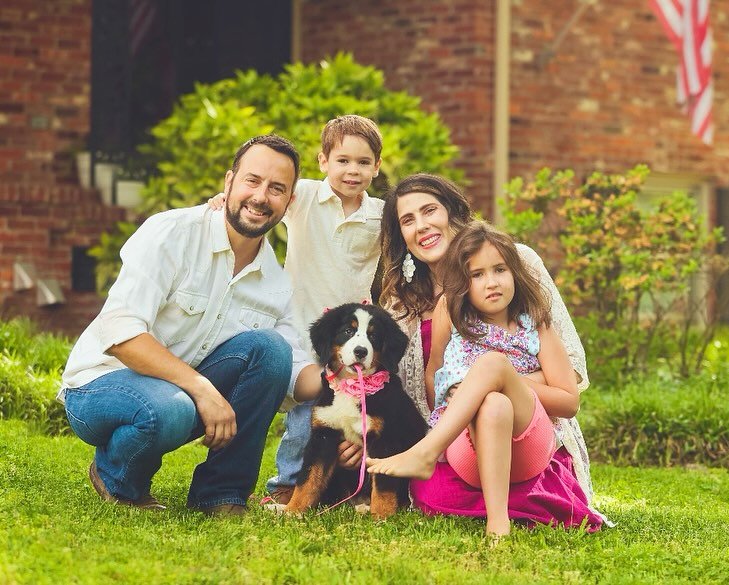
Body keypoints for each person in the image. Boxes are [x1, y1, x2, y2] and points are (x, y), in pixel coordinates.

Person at [59, 135, 322, 516]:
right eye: (252, 180)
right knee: (171, 409)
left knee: (272, 350)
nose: (261, 196)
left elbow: (292, 369)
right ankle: (116, 477)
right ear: (229, 182)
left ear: (289, 201)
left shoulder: (274, 281)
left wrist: (346, 378)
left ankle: (222, 494)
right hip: (101, 384)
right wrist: (201, 389)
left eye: (277, 188)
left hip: (181, 393)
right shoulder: (172, 232)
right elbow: (121, 334)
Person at [359, 173, 602, 534]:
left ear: (453, 212)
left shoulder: (520, 270)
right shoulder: (404, 301)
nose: (422, 225)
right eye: (408, 220)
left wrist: (496, 381)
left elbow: (570, 381)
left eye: (430, 210)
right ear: (401, 236)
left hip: (529, 431)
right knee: (493, 404)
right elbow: (423, 384)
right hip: (461, 440)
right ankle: (496, 522)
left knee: (494, 374)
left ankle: (429, 453)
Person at [207, 115, 384, 505]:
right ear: (323, 161)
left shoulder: (380, 217)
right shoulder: (302, 196)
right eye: (342, 160)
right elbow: (262, 202)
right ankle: (286, 483)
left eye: (363, 162)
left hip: (352, 334)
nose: (352, 170)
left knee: (351, 408)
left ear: (377, 166)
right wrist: (222, 201)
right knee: (306, 410)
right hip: (302, 324)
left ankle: (343, 485)